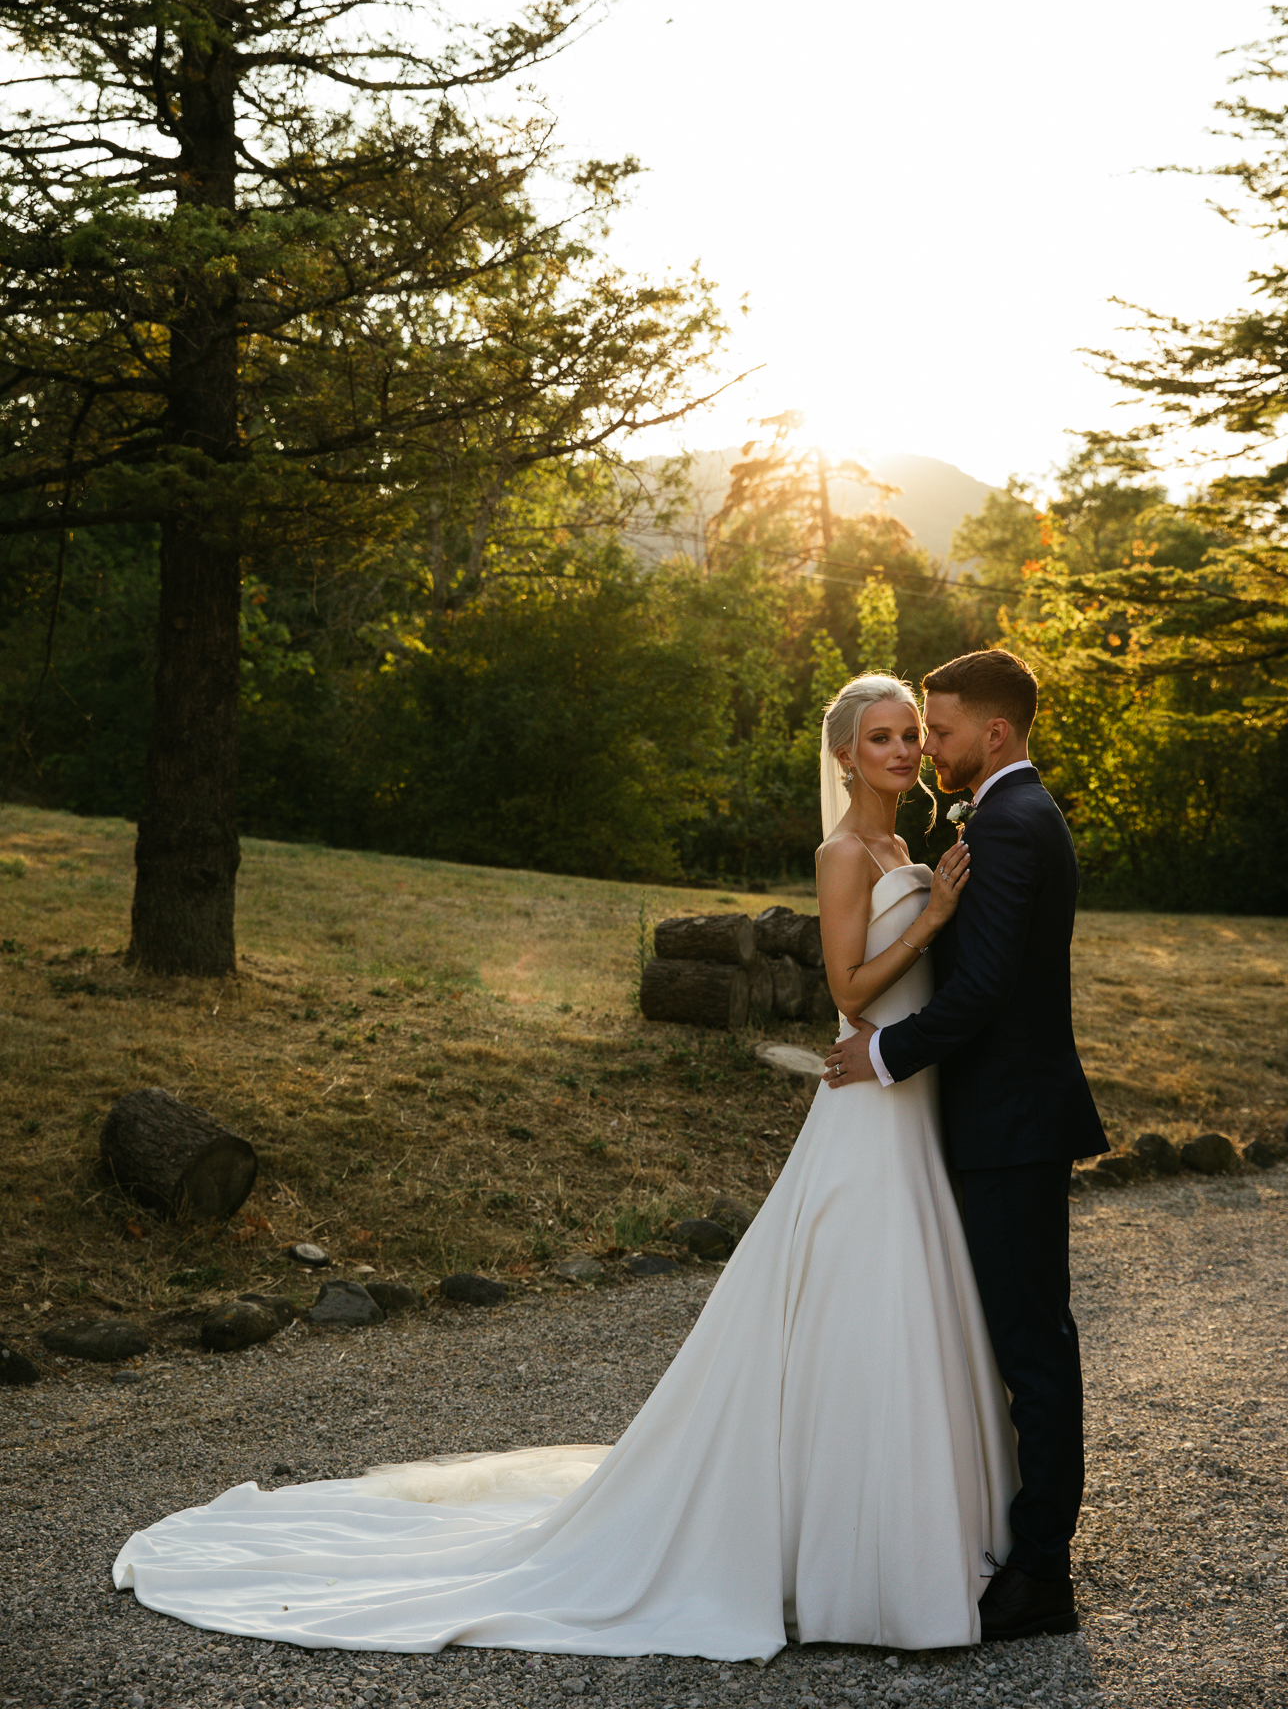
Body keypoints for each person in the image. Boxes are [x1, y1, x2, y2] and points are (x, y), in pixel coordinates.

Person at [112, 674, 1018, 1659]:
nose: (902, 751)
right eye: (881, 737)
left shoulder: (906, 848)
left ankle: (902, 1540)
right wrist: (929, 922)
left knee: (902, 1306)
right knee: (857, 1303)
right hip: (863, 1117)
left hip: (908, 1109)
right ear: (845, 755)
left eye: (908, 737)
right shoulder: (843, 853)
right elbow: (845, 987)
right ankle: (850, 1568)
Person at [824, 648, 1108, 1644]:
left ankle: (1039, 1573)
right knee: (1010, 1340)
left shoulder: (1014, 823)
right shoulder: (995, 817)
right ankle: (1011, 1544)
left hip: (1011, 1124)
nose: (926, 745)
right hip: (989, 1121)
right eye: (910, 731)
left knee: (1034, 1346)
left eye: (937, 730)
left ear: (994, 732)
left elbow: (983, 987)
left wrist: (886, 1052)